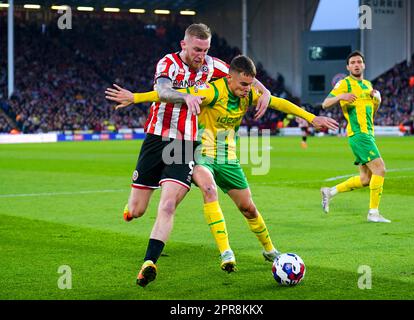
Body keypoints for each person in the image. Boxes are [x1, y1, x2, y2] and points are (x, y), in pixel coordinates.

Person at [107, 55, 339, 275]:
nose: (247, 89)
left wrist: (311, 118)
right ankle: (226, 253)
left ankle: (270, 250)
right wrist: (135, 97)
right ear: (229, 77)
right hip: (200, 153)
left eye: (250, 84)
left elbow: (281, 104)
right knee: (209, 189)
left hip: (228, 158)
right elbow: (171, 92)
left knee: (248, 207)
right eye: (243, 84)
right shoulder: (211, 91)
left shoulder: (248, 94)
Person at [105, 23, 272, 287]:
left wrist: (266, 92)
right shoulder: (168, 63)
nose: (201, 55)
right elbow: (162, 91)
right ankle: (131, 208)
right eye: (196, 49)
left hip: (184, 144)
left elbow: (242, 73)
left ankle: (149, 263)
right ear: (184, 45)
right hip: (156, 139)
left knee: (169, 204)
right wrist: (186, 97)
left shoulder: (211, 65)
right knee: (137, 210)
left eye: (205, 50)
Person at [320, 50, 391, 223]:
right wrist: (341, 96)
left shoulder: (367, 85)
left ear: (364, 65)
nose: (356, 65)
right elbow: (325, 104)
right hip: (358, 135)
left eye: (359, 62)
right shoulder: (344, 84)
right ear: (348, 67)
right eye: (352, 63)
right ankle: (373, 213)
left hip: (368, 133)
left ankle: (330, 192)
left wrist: (378, 102)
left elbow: (372, 114)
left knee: (366, 179)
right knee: (380, 169)